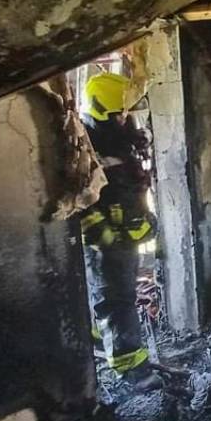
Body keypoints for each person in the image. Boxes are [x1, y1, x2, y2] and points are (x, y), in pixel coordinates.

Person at [79, 70, 161, 391]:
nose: (127, 118)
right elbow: (83, 200)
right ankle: (130, 369)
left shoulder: (121, 139)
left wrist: (142, 221)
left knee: (117, 295)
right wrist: (106, 237)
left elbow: (131, 186)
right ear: (102, 111)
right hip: (106, 241)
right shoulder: (86, 146)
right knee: (116, 299)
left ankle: (100, 341)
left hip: (125, 235)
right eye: (121, 113)